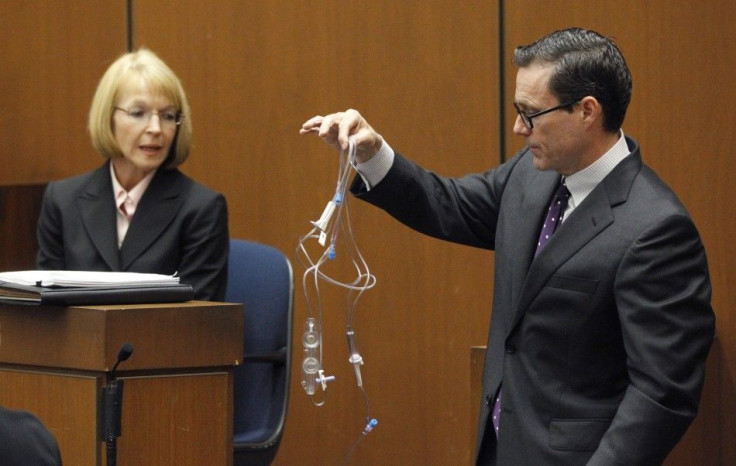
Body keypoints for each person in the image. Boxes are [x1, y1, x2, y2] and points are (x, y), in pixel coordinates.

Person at [300, 27, 715, 465]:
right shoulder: (532, 174)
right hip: (500, 448)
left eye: (530, 113)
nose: (518, 128)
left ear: (587, 111)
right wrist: (372, 152)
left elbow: (661, 393)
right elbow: (450, 205)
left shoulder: (655, 228)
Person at [36, 48, 229, 301]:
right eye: (138, 113)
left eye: (168, 116)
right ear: (108, 117)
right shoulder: (62, 201)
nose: (156, 128)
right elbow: (45, 309)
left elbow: (198, 321)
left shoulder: (201, 209)